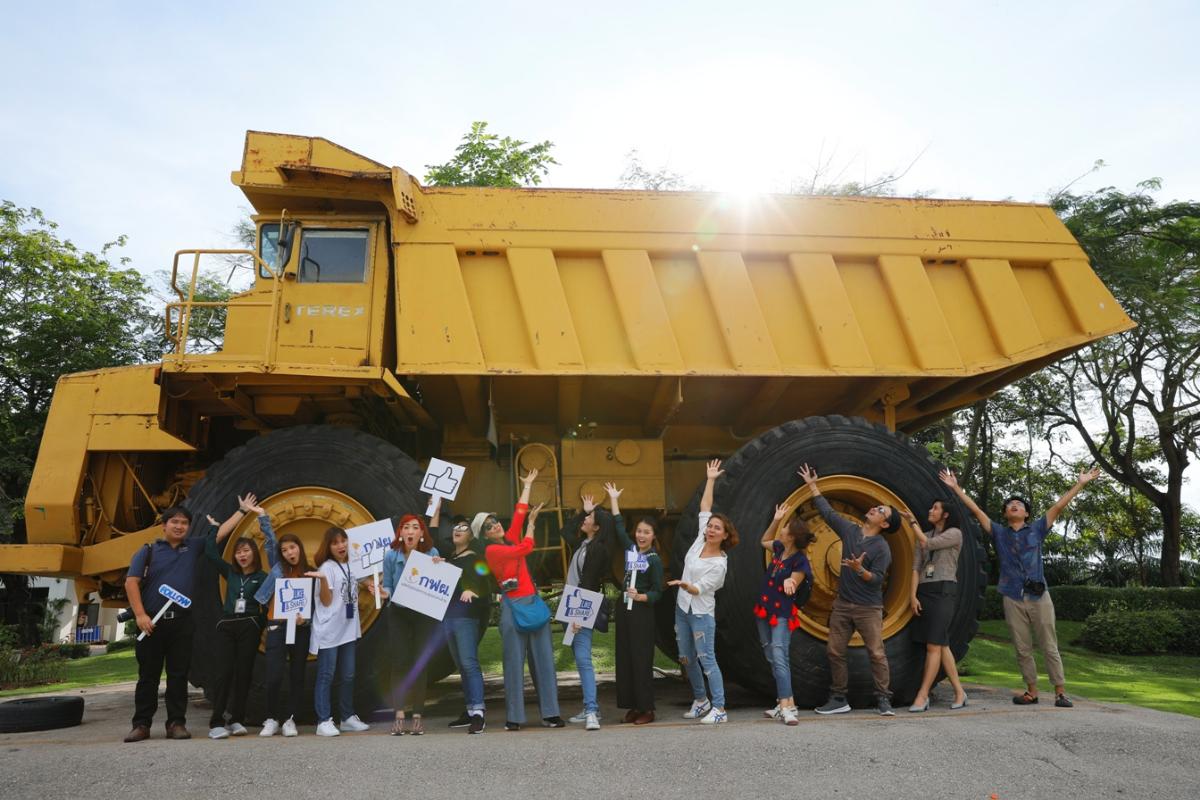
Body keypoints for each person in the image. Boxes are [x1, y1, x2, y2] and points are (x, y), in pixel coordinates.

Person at [941, 467, 1100, 708]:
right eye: (1010, 504)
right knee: (1022, 648)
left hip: (1039, 595)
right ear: (1005, 513)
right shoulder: (998, 532)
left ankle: (1060, 692)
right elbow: (975, 510)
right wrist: (955, 488)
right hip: (1012, 595)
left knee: (1049, 645)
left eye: (1019, 504)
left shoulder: (1037, 529)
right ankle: (1031, 692)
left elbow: (1059, 506)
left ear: (1026, 513)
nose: (1014, 505)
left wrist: (1080, 484)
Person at [798, 464, 899, 716]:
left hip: (868, 608)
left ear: (884, 523)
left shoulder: (882, 548)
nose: (874, 508)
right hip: (843, 604)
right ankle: (839, 697)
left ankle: (884, 699)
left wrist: (858, 569)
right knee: (834, 650)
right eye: (876, 507)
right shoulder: (851, 531)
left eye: (880, 511)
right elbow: (828, 513)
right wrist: (812, 484)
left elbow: (876, 579)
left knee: (876, 653)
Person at [479, 468, 565, 731]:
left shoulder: (508, 538)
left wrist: (528, 484)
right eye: (489, 526)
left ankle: (551, 714)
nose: (495, 525)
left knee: (544, 662)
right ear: (485, 535)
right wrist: (531, 527)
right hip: (512, 607)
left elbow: (519, 511)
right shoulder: (492, 550)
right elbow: (526, 547)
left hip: (531, 602)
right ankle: (514, 717)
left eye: (495, 521)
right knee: (513, 663)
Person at [123, 505, 212, 742]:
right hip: (151, 622)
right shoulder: (148, 551)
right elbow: (131, 583)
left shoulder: (192, 548)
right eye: (175, 522)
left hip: (182, 622)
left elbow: (220, 533)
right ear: (164, 526)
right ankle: (141, 725)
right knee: (148, 677)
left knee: (178, 675)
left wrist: (243, 512)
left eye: (184, 523)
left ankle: (176, 723)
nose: (179, 526)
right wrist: (140, 615)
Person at [668, 459, 737, 724]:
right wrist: (710, 479)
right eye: (710, 526)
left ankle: (719, 709)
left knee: (707, 659)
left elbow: (700, 589)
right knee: (686, 658)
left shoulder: (720, 564)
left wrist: (684, 584)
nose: (710, 529)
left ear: (725, 536)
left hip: (700, 614)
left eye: (716, 528)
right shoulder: (699, 540)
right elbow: (705, 507)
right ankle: (701, 700)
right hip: (682, 609)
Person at [203, 493, 270, 739]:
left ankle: (237, 719)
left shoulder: (262, 577)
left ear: (254, 553)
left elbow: (270, 601)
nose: (242, 555)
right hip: (227, 625)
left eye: (246, 550)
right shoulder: (230, 573)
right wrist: (214, 529)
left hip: (249, 627)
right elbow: (210, 553)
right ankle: (217, 722)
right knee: (224, 672)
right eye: (239, 551)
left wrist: (258, 622)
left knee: (244, 673)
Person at [305, 525, 374, 736]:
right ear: (329, 547)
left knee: (348, 675)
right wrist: (323, 581)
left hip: (348, 629)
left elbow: (357, 580)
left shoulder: (351, 565)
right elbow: (325, 602)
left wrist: (369, 584)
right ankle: (323, 721)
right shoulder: (326, 568)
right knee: (326, 675)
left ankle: (347, 717)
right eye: (335, 543)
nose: (341, 545)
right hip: (330, 631)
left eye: (343, 541)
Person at [604, 482, 663, 725]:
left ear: (653, 536)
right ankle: (632, 706)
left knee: (641, 660)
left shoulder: (654, 560)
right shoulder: (632, 552)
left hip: (641, 612)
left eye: (646, 532)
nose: (641, 535)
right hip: (624, 611)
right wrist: (614, 500)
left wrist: (642, 596)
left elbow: (658, 591)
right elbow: (619, 531)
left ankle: (647, 708)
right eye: (639, 531)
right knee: (626, 659)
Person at [901, 499, 967, 712]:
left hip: (944, 590)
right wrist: (913, 596)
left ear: (945, 514)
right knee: (941, 644)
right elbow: (915, 567)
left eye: (935, 508)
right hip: (924, 591)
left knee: (933, 645)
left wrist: (912, 523)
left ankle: (922, 695)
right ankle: (959, 691)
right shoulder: (926, 535)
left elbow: (927, 545)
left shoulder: (955, 534)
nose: (931, 510)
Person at [379, 512, 440, 735]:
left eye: (415, 527)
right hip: (398, 614)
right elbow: (387, 585)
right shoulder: (390, 556)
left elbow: (437, 582)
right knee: (400, 662)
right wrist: (383, 593)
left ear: (421, 533)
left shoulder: (432, 553)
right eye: (406, 527)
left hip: (422, 615)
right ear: (401, 533)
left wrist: (437, 567)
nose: (410, 531)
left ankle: (417, 716)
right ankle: (399, 715)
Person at [755, 503, 814, 726]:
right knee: (772, 655)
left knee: (779, 656)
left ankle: (786, 707)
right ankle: (787, 701)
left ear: (792, 536)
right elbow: (763, 541)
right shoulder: (780, 548)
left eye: (786, 527)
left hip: (780, 613)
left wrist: (791, 581)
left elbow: (796, 579)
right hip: (764, 609)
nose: (783, 528)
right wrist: (776, 519)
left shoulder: (800, 560)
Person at [564, 492, 616, 730]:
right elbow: (565, 533)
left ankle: (592, 710)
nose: (584, 520)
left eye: (589, 518)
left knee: (584, 659)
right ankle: (588, 708)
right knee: (580, 657)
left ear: (596, 527)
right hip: (573, 605)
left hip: (581, 605)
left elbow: (589, 583)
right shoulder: (584, 544)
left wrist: (577, 616)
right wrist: (584, 510)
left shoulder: (598, 550)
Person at [256, 521, 313, 737]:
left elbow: (314, 606)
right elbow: (270, 542)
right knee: (274, 674)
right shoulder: (278, 569)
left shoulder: (310, 573)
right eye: (285, 549)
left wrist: (304, 621)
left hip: (300, 629)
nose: (289, 552)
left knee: (297, 675)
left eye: (292, 547)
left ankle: (290, 720)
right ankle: (271, 718)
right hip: (277, 626)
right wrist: (263, 518)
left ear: (299, 547)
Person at [442, 515, 492, 734]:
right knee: (461, 665)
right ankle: (470, 710)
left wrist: (474, 590)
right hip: (448, 617)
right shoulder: (450, 559)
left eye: (463, 528)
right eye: (456, 527)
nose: (457, 530)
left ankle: (479, 713)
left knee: (469, 663)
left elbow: (487, 583)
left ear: (471, 536)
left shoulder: (474, 558)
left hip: (466, 618)